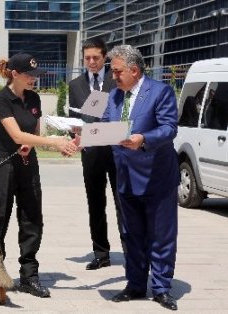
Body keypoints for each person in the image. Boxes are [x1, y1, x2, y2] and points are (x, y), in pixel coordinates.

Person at [0, 52, 78, 299]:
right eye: (30, 75)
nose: (34, 79)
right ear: (15, 74)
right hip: (2, 164)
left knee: (32, 219)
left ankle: (29, 277)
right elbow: (16, 135)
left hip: (27, 164)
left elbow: (32, 134)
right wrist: (53, 143)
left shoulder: (34, 98)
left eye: (36, 75)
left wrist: (46, 145)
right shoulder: (1, 100)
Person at [103, 45, 179, 311]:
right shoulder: (114, 96)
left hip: (156, 178)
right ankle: (135, 285)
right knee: (131, 235)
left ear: (134, 71)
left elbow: (169, 128)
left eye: (117, 71)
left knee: (160, 236)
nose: (113, 76)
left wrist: (143, 139)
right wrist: (81, 138)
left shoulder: (160, 92)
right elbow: (105, 128)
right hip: (125, 176)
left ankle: (161, 289)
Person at [68, 37, 126, 270]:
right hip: (91, 153)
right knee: (95, 202)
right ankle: (101, 253)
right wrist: (74, 130)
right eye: (87, 58)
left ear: (105, 58)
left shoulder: (118, 80)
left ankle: (131, 251)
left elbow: (123, 116)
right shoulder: (75, 86)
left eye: (96, 58)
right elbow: (77, 120)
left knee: (123, 202)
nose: (91, 62)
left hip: (117, 152)